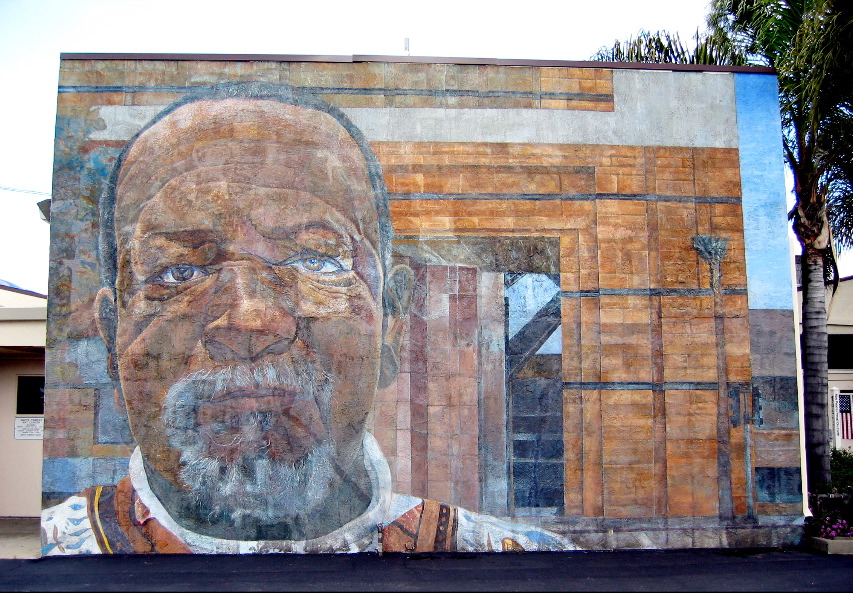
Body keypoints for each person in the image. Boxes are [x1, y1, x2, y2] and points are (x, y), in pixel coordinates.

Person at [42, 82, 577, 555]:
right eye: (179, 272)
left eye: (315, 261)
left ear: (390, 316)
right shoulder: (56, 551)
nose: (248, 321)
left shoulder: (516, 561)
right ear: (113, 338)